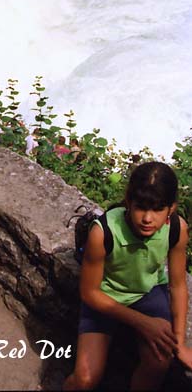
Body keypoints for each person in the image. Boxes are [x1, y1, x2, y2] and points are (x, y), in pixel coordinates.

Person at [64, 161, 192, 390]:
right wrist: (143, 323)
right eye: (141, 207)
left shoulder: (176, 230)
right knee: (85, 379)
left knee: (159, 361)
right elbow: (89, 293)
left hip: (148, 293)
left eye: (157, 209)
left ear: (171, 209)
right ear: (128, 202)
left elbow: (179, 285)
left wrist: (179, 341)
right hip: (106, 296)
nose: (147, 218)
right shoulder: (103, 232)